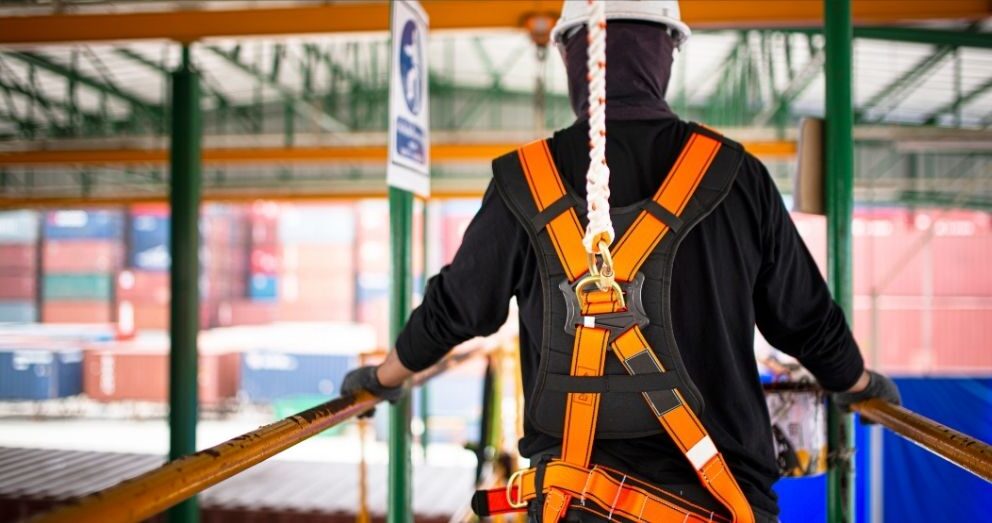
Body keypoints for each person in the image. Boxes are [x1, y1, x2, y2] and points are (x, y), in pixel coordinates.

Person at [342, 2, 901, 521]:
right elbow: (807, 319)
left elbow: (452, 311)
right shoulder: (735, 178)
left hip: (576, 503)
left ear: (570, 57)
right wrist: (857, 383)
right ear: (668, 53)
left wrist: (382, 378)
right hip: (722, 502)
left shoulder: (524, 184)